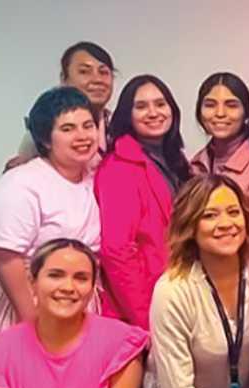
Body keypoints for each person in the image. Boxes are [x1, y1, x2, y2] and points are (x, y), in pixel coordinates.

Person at [149, 174, 249, 388]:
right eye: (210, 215)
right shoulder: (172, 291)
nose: (226, 223)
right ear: (190, 225)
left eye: (234, 212)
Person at [0, 86, 103, 339]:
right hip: (27, 300)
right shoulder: (21, 182)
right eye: (67, 129)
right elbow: (6, 255)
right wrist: (33, 321)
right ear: (46, 139)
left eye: (88, 126)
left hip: (78, 298)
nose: (82, 136)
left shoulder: (93, 176)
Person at [0, 238, 147, 388]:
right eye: (55, 275)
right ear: (32, 282)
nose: (68, 287)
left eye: (81, 278)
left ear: (93, 288)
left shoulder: (120, 347)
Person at [96, 74, 192, 330]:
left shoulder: (176, 161)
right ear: (127, 115)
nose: (153, 113)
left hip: (179, 293)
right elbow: (117, 251)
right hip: (146, 305)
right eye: (141, 106)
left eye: (160, 104)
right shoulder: (119, 168)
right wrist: (147, 318)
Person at [190, 72, 249, 252]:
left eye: (231, 105)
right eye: (210, 105)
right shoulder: (195, 166)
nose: (220, 113)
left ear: (246, 113)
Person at [8, 41, 116, 170]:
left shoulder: (119, 125)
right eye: (84, 72)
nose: (97, 80)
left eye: (104, 72)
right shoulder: (46, 127)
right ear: (64, 79)